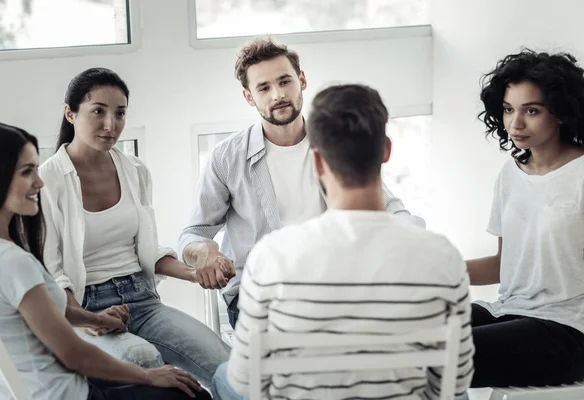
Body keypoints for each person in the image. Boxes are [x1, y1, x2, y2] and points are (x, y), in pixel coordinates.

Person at [209, 84, 473, 399]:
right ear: (386, 150)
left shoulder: (271, 257)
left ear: (317, 162)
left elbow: (249, 382)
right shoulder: (443, 257)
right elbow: (453, 386)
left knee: (224, 375)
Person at [179, 38, 425, 328]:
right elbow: (192, 233)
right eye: (264, 88)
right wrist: (204, 250)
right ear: (249, 97)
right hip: (260, 296)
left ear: (302, 80)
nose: (278, 95)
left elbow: (390, 208)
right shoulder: (227, 158)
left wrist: (411, 242)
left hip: (330, 287)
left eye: (285, 81)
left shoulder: (333, 143)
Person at [0, 120, 211, 400]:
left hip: (27, 390)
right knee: (189, 394)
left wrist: (94, 318)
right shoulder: (11, 261)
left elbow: (48, 313)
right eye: (27, 172)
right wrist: (149, 376)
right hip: (63, 393)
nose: (39, 182)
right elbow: (73, 354)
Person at [38, 68, 229, 387]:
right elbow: (51, 273)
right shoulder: (48, 180)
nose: (110, 124)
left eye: (120, 113)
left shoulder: (135, 170)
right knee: (143, 359)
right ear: (70, 113)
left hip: (142, 300)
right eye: (98, 111)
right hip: (87, 310)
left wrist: (195, 274)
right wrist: (84, 320)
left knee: (230, 367)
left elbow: (148, 251)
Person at [467, 49, 584, 388]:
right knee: (403, 328)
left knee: (440, 353)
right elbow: (506, 264)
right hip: (509, 310)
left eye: (531, 110)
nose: (515, 124)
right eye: (507, 109)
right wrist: (434, 270)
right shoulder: (510, 174)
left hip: (568, 328)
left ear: (562, 112)